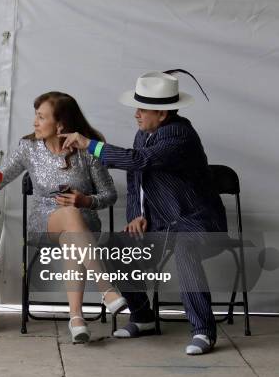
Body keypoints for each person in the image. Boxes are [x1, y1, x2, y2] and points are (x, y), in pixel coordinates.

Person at [60, 70, 227, 355]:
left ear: (162, 114)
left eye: (143, 108)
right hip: (162, 225)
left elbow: (139, 160)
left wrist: (89, 144)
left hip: (198, 225)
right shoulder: (144, 133)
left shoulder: (179, 134)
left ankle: (203, 332)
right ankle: (142, 317)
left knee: (185, 247)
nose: (136, 114)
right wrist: (136, 215)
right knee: (112, 246)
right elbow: (136, 176)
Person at [0, 91, 127, 343]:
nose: (35, 122)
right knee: (70, 219)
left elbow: (109, 195)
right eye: (36, 116)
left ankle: (76, 319)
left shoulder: (86, 148)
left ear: (60, 123)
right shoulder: (28, 148)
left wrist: (86, 200)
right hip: (44, 222)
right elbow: (0, 177)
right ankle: (106, 288)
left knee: (72, 235)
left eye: (41, 117)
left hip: (84, 225)